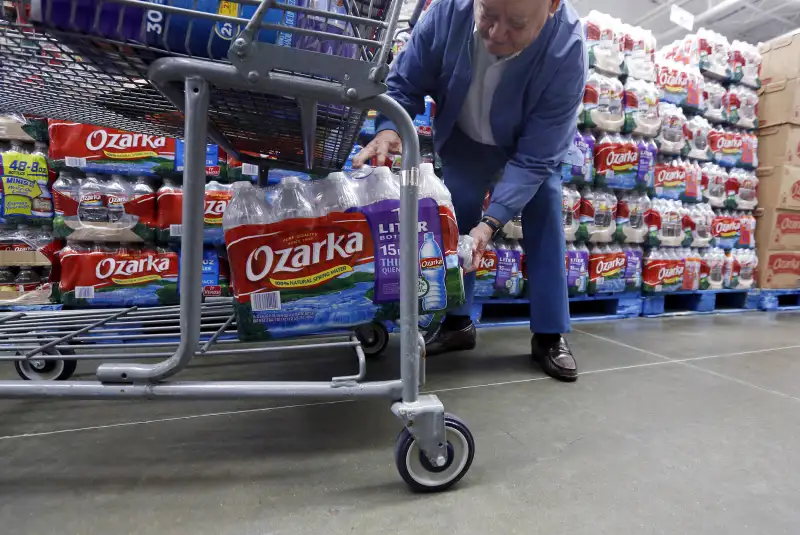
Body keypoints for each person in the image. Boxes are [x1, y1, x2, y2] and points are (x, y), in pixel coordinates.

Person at [353, 0, 586, 381]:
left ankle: (549, 333)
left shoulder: (568, 48)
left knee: (544, 209)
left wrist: (491, 223)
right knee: (455, 211)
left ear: (552, 7)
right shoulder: (447, 11)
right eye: (488, 15)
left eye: (516, 23)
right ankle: (457, 323)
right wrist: (389, 128)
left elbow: (535, 158)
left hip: (530, 145)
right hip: (466, 137)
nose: (496, 33)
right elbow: (406, 81)